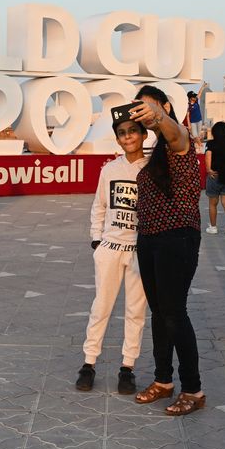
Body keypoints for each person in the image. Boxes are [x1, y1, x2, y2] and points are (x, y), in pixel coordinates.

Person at [129, 85, 205, 416]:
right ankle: (163, 381)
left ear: (163, 106)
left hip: (177, 236)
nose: (141, 112)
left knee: (175, 313)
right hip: (149, 238)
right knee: (159, 313)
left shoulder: (179, 139)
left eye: (146, 106)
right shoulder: (155, 151)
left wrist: (159, 117)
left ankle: (194, 389)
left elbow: (175, 133)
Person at [76, 108, 148, 395]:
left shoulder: (151, 168)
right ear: (117, 139)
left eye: (133, 131)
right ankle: (88, 363)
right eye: (122, 133)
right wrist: (97, 241)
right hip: (110, 248)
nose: (128, 136)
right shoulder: (110, 169)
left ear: (143, 134)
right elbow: (99, 206)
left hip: (139, 251)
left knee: (135, 311)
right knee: (101, 308)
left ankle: (127, 367)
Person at [204, 121, 225, 236]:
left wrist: (208, 170)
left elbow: (208, 156)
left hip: (215, 176)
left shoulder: (211, 143)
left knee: (213, 203)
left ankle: (213, 227)